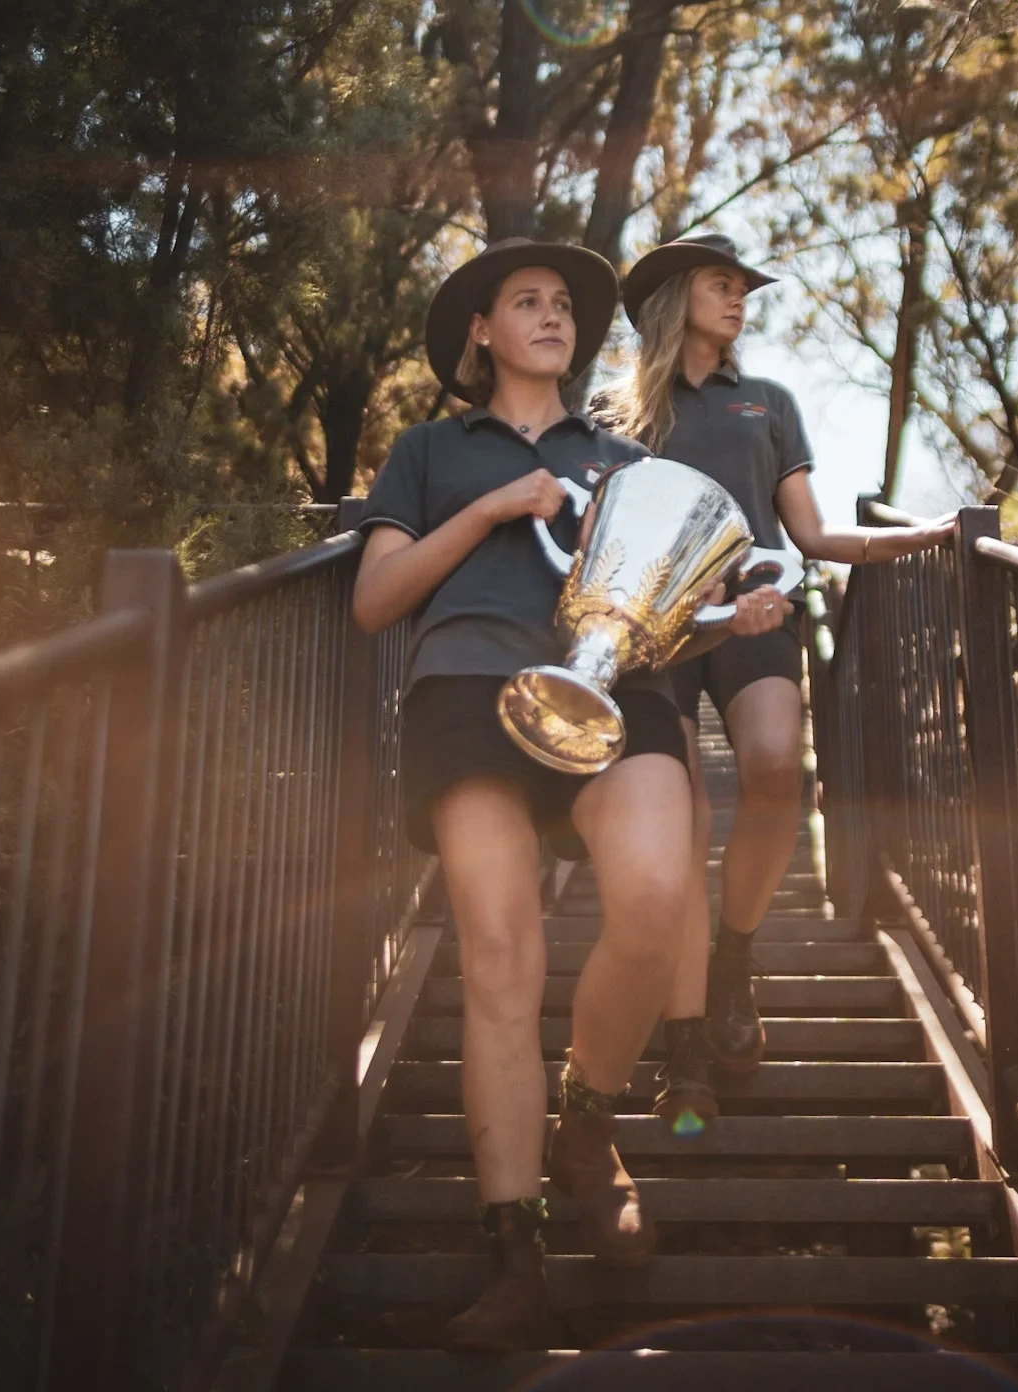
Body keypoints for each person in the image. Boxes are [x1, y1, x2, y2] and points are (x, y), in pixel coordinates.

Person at [352, 238, 777, 1351]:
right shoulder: (428, 448)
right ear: (480, 334)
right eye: (524, 302)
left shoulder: (625, 454)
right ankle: (513, 1253)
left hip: (617, 685)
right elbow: (373, 598)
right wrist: (491, 509)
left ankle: (584, 1118)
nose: (550, 316)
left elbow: (678, 595)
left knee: (651, 893)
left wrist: (737, 617)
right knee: (498, 958)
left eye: (563, 305)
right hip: (461, 688)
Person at [598, 234, 954, 1131]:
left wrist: (926, 537)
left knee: (773, 773)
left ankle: (735, 955)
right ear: (679, 296)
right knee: (680, 826)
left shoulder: (768, 403)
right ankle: (685, 1051)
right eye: (723, 284)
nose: (741, 298)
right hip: (657, 630)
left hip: (760, 611)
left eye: (743, 287)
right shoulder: (616, 413)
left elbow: (816, 536)